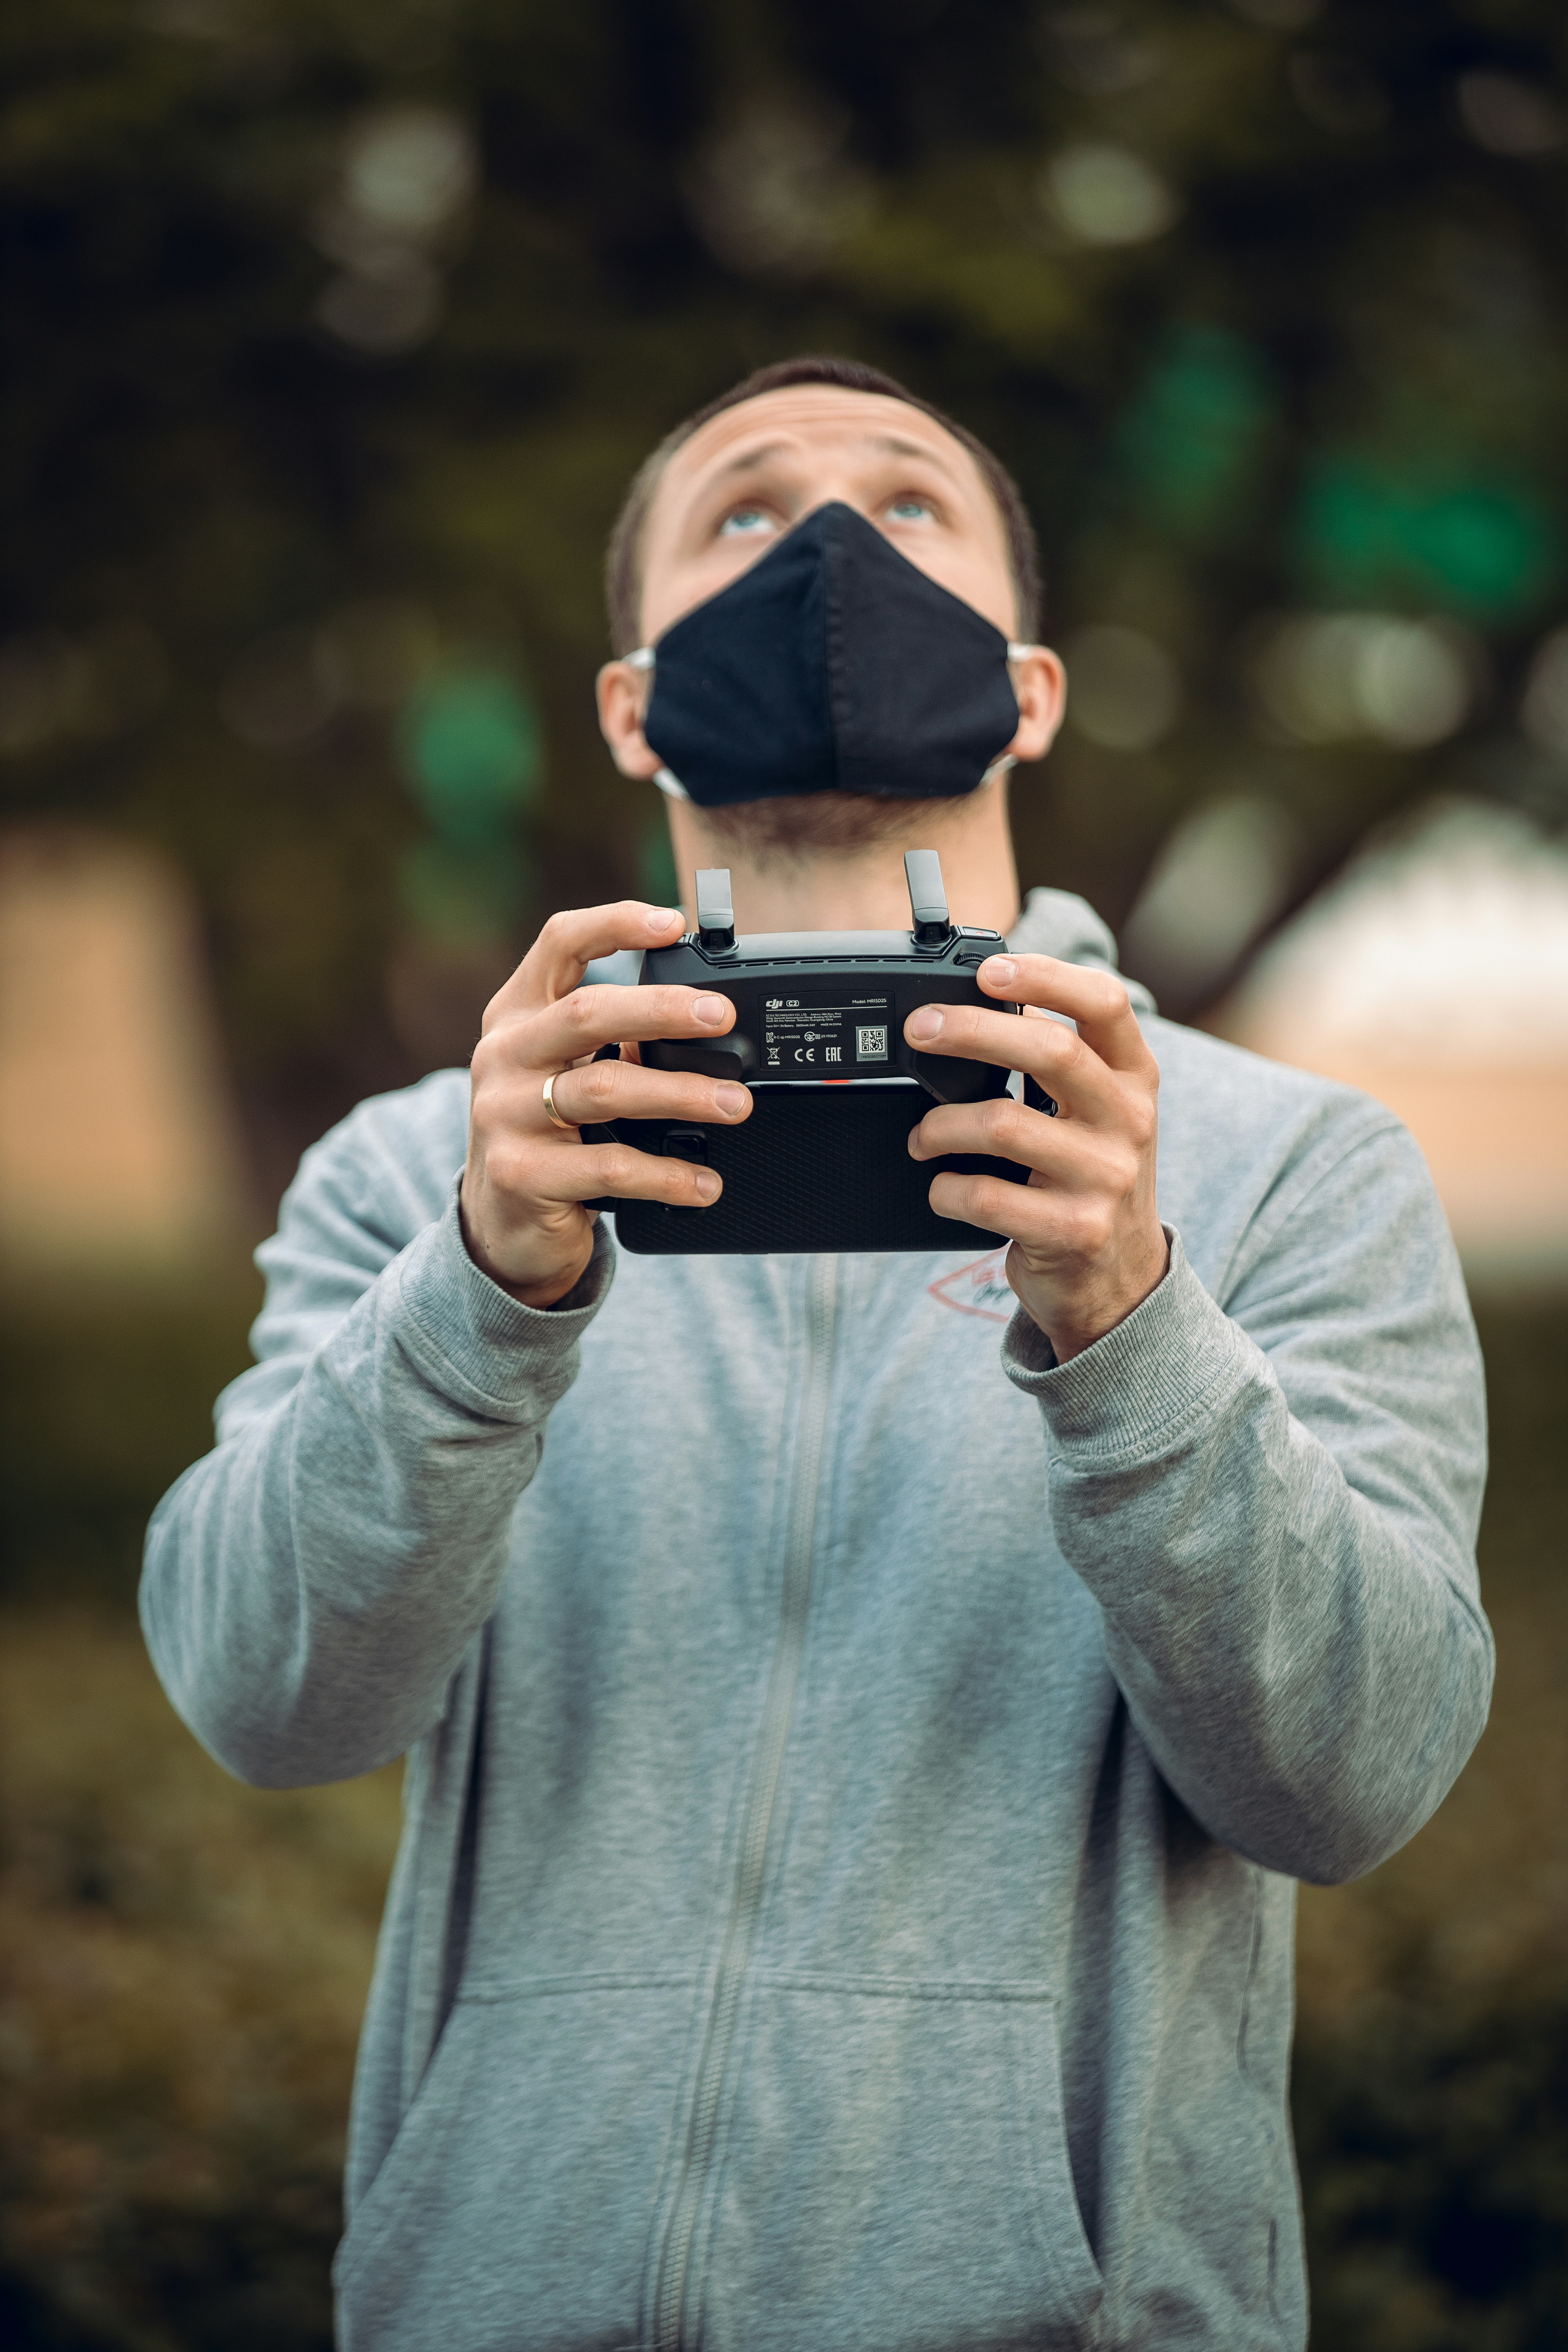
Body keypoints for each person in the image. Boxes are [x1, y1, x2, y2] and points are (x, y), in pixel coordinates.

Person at [141, 355, 1492, 2352]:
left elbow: (1355, 1779)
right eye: (748, 512)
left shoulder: (1285, 1168)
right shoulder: (427, 1167)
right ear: (632, 703)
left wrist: (1130, 1320)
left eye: (912, 503)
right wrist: (483, 1292)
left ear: (1031, 689)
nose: (835, 550)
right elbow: (267, 1697)